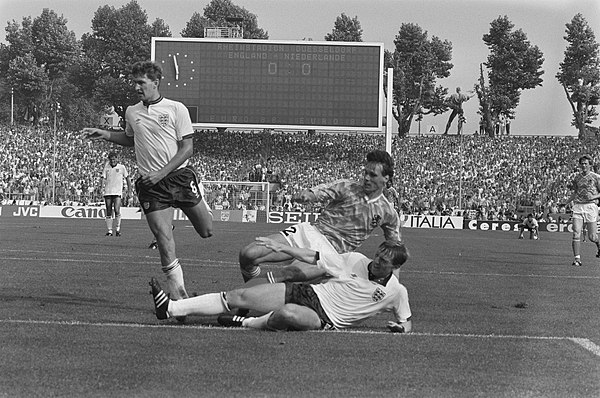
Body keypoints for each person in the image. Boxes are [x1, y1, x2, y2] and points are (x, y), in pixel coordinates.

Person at [82, 60, 213, 305]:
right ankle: (179, 297)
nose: (136, 87)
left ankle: (198, 197)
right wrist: (106, 134)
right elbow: (130, 139)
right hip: (150, 184)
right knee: (163, 239)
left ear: (156, 82)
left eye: (141, 83)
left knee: (206, 231)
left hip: (179, 177)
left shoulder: (176, 109)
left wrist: (162, 172)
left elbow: (187, 149)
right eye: (134, 83)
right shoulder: (132, 112)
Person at [150, 239, 412, 332]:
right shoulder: (355, 260)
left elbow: (407, 322)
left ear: (394, 267)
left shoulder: (396, 293)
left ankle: (248, 323)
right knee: (237, 296)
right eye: (378, 255)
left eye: (384, 261)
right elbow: (314, 257)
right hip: (307, 293)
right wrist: (282, 248)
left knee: (286, 314)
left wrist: (401, 328)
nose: (377, 262)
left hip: (324, 318)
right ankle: (172, 308)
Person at [238, 149, 402, 284]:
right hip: (310, 232)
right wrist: (308, 195)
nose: (366, 178)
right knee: (248, 254)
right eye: (365, 173)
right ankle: (251, 294)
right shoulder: (348, 186)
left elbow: (395, 249)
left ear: (386, 178)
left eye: (372, 175)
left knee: (289, 273)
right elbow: (322, 191)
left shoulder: (387, 212)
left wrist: (392, 286)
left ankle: (242, 301)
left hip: (331, 253)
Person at [566, 155, 600, 266]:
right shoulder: (576, 177)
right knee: (576, 233)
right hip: (578, 206)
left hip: (590, 207)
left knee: (592, 237)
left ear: (590, 165)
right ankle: (577, 259)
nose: (584, 165)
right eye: (582, 163)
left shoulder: (596, 177)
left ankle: (598, 245)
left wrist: (593, 197)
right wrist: (566, 202)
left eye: (586, 163)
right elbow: (575, 192)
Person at [102, 152, 132, 236]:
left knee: (116, 209)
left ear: (117, 159)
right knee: (108, 210)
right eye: (111, 159)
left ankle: (118, 229)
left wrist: (130, 190)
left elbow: (128, 178)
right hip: (108, 191)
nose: (112, 161)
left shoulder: (121, 167)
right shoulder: (106, 167)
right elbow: (103, 178)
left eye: (114, 159)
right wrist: (101, 188)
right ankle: (109, 231)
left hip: (117, 192)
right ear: (109, 160)